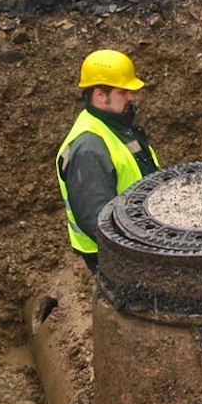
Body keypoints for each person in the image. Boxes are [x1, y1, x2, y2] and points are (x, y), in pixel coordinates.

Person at [55, 49, 160, 272]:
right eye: (123, 91)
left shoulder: (117, 126)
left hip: (139, 243)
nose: (131, 97)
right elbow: (97, 221)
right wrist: (139, 253)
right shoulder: (89, 148)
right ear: (100, 95)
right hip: (118, 256)